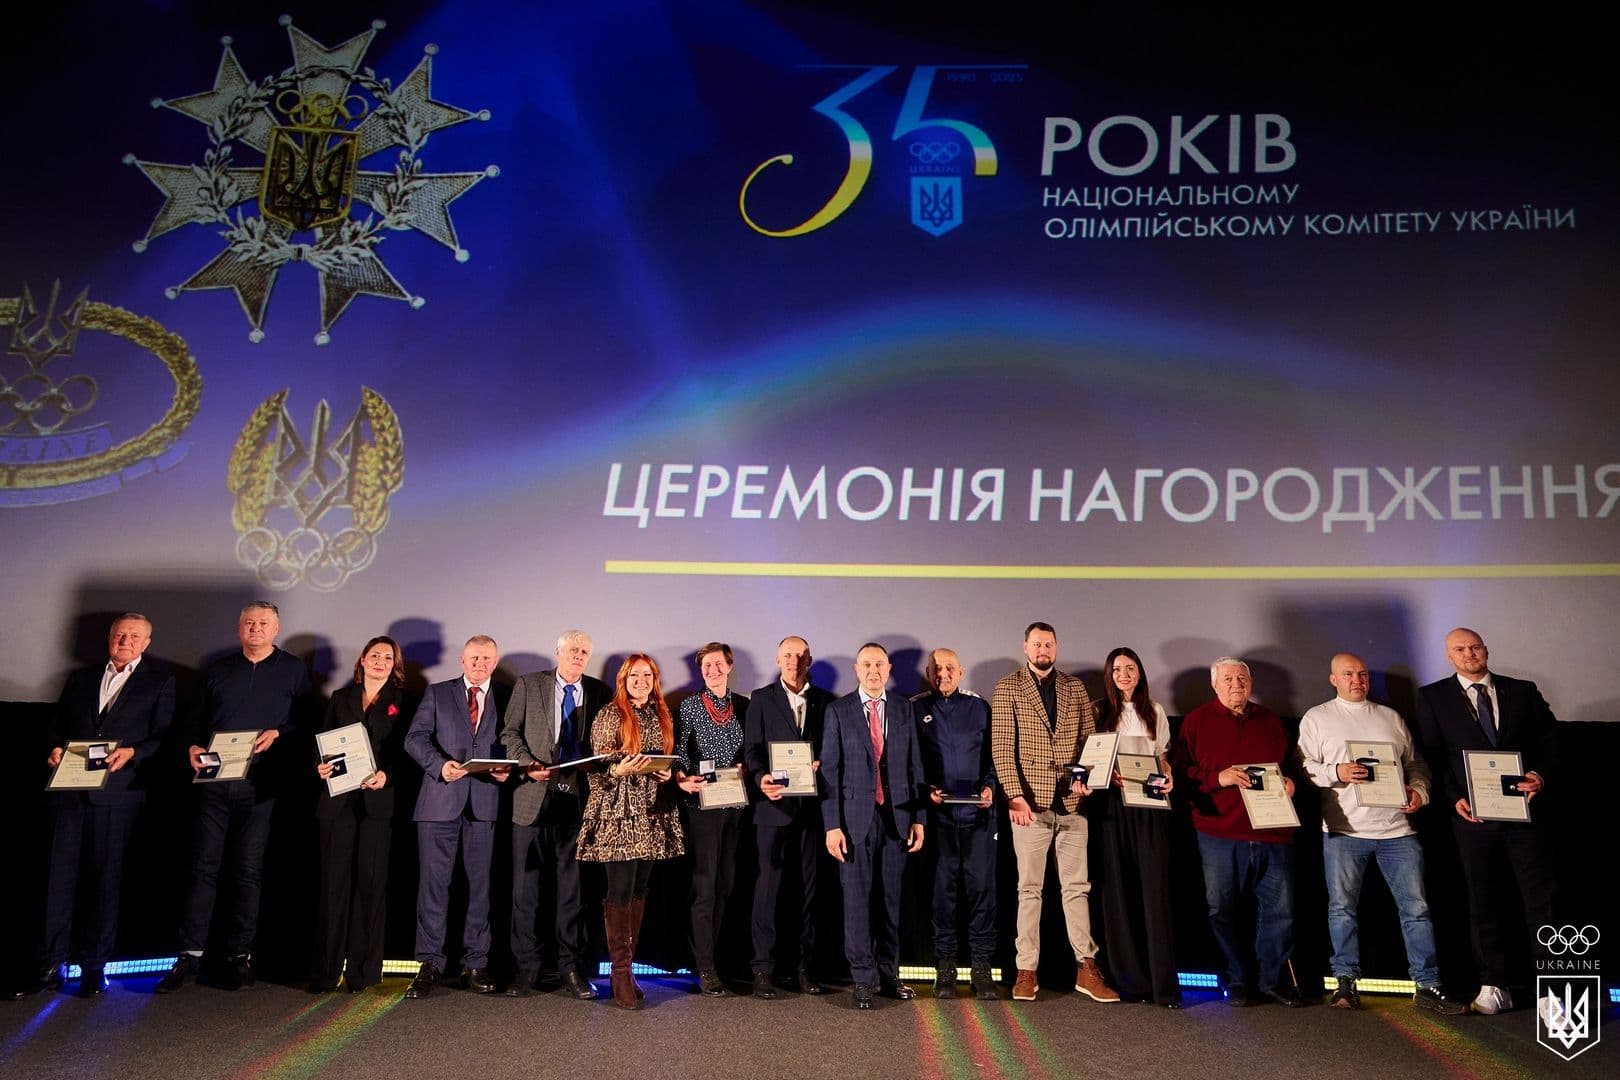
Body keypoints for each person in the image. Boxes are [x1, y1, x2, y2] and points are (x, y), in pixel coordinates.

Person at [16, 614, 175, 999]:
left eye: (134, 636)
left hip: (117, 795)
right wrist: (54, 749)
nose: (125, 640)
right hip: (69, 793)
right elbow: (55, 726)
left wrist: (133, 753)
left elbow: (164, 736)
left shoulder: (160, 681)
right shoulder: (81, 678)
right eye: (119, 634)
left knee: (105, 882)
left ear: (146, 643)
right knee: (58, 881)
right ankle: (50, 964)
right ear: (109, 638)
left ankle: (94, 967)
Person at [157, 601, 313, 993]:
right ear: (239, 628)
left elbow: (307, 722)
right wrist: (192, 746)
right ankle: (190, 955)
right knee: (202, 868)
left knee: (248, 870)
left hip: (261, 786)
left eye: (263, 623)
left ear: (276, 630)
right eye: (249, 622)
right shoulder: (218, 669)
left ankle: (240, 954)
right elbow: (194, 719)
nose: (255, 628)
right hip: (213, 782)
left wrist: (280, 733)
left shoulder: (294, 670)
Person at [1299, 652, 1467, 1014]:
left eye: (1362, 674)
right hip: (1344, 830)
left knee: (1417, 910)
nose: (1356, 680)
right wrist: (1337, 772)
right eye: (1348, 674)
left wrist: (1419, 793)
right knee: (1342, 909)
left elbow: (1416, 765)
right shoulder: (1317, 717)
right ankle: (1345, 983)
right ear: (1333, 679)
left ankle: (1427, 984)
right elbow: (1304, 768)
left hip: (1397, 830)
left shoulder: (1390, 717)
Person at [1414, 628, 1558, 1015]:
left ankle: (1549, 991)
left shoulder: (1522, 691)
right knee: (1483, 903)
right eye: (1460, 649)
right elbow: (1432, 755)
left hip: (1524, 816)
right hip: (1473, 819)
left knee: (1540, 903)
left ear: (1486, 650)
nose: (1469, 654)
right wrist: (1454, 797)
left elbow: (1551, 741)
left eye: (1475, 647)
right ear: (1449, 656)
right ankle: (1494, 984)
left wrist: (1540, 776)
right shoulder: (1433, 697)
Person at [990, 622, 1120, 1004]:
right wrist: (1014, 796)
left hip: (1073, 805)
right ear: (1025, 648)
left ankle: (1086, 967)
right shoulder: (1008, 687)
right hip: (1029, 806)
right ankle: (1026, 970)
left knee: (1077, 889)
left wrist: (1087, 779)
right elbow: (1002, 747)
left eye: (1048, 643)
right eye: (1036, 644)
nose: (1042, 649)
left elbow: (1089, 743)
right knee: (1029, 890)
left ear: (1056, 647)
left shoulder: (1074, 687)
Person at [1172, 656, 1305, 1007]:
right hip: (1219, 833)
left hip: (1273, 832)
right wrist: (1219, 778)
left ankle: (1272, 980)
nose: (1236, 684)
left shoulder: (1271, 720)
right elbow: (1180, 773)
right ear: (1214, 685)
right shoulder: (1196, 722)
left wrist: (1291, 782)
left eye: (1242, 678)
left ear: (1251, 683)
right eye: (1228, 679)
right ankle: (1238, 979)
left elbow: (1290, 765)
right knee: (1221, 909)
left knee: (1281, 911)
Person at [500, 629, 611, 1000]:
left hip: (576, 804)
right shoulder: (530, 684)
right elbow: (509, 733)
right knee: (525, 893)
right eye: (572, 649)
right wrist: (526, 763)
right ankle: (526, 971)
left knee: (572, 894)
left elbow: (605, 743)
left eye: (584, 651)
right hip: (532, 800)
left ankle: (570, 969)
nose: (578, 655)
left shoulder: (598, 692)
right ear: (558, 652)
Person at [402, 636, 511, 999]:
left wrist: (506, 770)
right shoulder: (437, 693)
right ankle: (429, 964)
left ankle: (475, 963)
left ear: (495, 662)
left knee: (480, 888)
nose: (480, 664)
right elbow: (414, 738)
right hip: (438, 803)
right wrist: (439, 765)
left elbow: (513, 742)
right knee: (433, 887)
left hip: (484, 803)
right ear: (462, 660)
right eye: (474, 657)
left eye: (487, 658)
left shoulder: (507, 696)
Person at [577, 653, 685, 1009]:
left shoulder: (661, 714)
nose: (641, 681)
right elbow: (597, 764)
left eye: (647, 675)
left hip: (651, 812)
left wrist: (666, 774)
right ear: (623, 680)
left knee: (640, 889)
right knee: (620, 890)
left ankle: (627, 970)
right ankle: (620, 972)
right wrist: (618, 771)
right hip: (618, 812)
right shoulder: (610, 713)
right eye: (634, 675)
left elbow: (666, 758)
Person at [823, 643, 926, 1010]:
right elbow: (830, 772)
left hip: (897, 819)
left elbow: (915, 767)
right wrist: (832, 825)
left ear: (889, 668)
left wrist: (919, 818)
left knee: (890, 901)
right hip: (853, 823)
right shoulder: (838, 711)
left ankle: (889, 974)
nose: (873, 671)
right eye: (866, 664)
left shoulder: (903, 708)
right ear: (856, 669)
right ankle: (863, 979)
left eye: (879, 664)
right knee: (856, 902)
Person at [310, 635, 413, 993]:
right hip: (338, 802)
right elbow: (321, 743)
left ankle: (362, 972)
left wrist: (388, 775)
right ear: (363, 660)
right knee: (333, 887)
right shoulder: (341, 698)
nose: (380, 661)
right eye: (375, 655)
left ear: (394, 665)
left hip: (377, 804)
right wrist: (320, 766)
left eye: (388, 657)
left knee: (370, 887)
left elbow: (408, 753)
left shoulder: (404, 702)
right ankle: (327, 972)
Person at [742, 635, 834, 999]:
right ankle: (762, 970)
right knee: (767, 891)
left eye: (800, 655)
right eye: (788, 655)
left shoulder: (826, 701)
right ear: (777, 659)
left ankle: (804, 968)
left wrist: (823, 763)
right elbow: (752, 750)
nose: (794, 660)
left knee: (809, 892)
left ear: (809, 660)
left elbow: (833, 749)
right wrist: (760, 778)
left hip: (811, 810)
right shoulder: (761, 699)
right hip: (772, 807)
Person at [1094, 646, 1180, 1008]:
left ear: (1140, 672)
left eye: (1130, 668)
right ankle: (1130, 982)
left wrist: (1169, 774)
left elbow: (1162, 756)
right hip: (1113, 807)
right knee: (1119, 890)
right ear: (1109, 675)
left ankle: (1162, 985)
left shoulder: (1154, 710)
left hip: (1150, 804)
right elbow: (1093, 758)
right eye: (1117, 669)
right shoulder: (1099, 711)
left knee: (1154, 891)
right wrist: (1108, 774)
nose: (1124, 675)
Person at [912, 647, 997, 1000]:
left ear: (961, 671)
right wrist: (925, 791)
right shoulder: (915, 709)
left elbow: (994, 758)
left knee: (982, 895)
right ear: (928, 673)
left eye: (949, 668)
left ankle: (981, 969)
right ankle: (944, 968)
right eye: (936, 668)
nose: (943, 674)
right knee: (941, 896)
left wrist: (990, 788)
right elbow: (910, 764)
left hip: (978, 819)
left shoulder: (979, 707)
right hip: (939, 820)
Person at [673, 642, 751, 997]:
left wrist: (749, 768)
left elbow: (754, 751)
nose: (713, 670)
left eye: (718, 664)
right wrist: (681, 779)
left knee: (725, 885)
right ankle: (703, 966)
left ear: (729, 667)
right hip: (702, 808)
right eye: (707, 665)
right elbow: (677, 754)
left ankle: (716, 960)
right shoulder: (689, 706)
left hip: (735, 806)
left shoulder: (745, 707)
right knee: (704, 888)